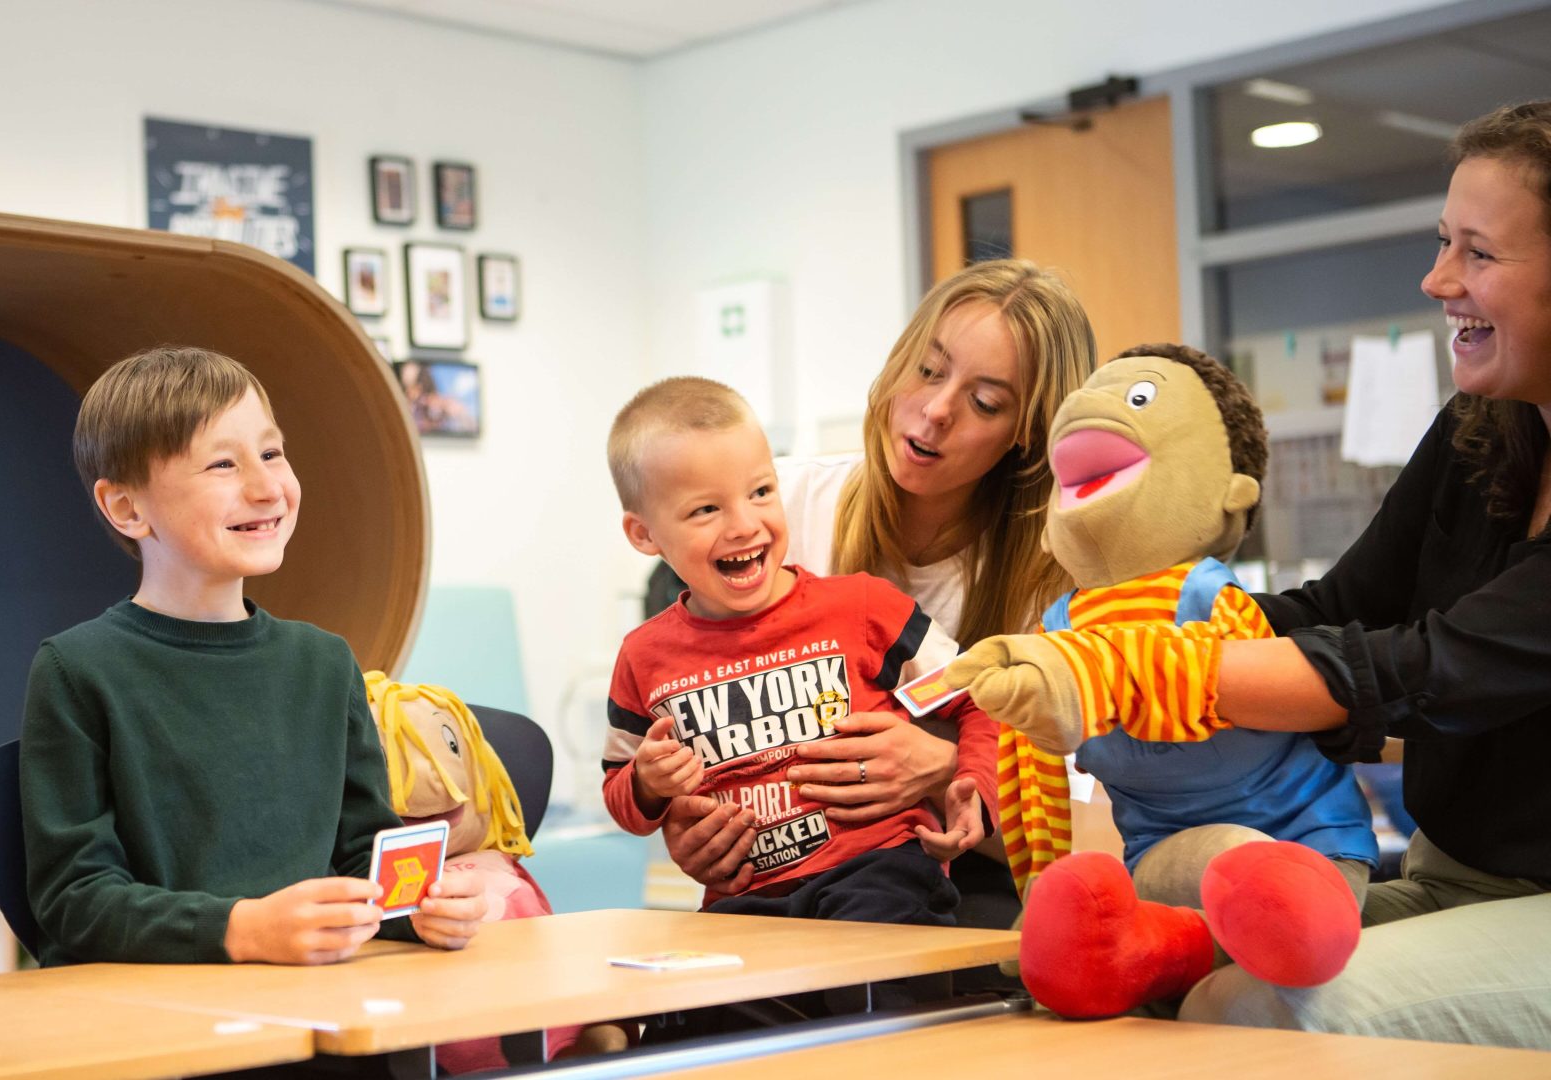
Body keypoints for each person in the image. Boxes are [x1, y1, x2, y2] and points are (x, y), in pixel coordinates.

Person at [968, 103, 1551, 1047]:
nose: (1438, 279)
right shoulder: (1478, 433)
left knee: (1245, 1013)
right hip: (1454, 875)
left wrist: (1133, 673)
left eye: (1478, 254)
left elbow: (1426, 667)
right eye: (1444, 242)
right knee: (1151, 977)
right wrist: (1137, 620)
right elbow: (1332, 609)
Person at [659, 261, 1097, 935]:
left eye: (985, 403)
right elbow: (695, 702)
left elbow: (1077, 833)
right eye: (929, 369)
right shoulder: (783, 509)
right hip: (779, 875)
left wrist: (944, 769)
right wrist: (692, 827)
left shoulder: (1054, 584)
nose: (937, 410)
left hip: (956, 880)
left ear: (1028, 436)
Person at [20, 345, 485, 968]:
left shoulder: (324, 663)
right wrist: (239, 929)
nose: (267, 487)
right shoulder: (76, 671)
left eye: (271, 453)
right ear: (127, 508)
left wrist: (421, 907)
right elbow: (75, 902)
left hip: (324, 1006)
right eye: (221, 464)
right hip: (163, 1022)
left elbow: (360, 859)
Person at [601, 376, 997, 923]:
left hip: (877, 873)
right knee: (700, 1003)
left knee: (876, 976)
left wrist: (972, 782)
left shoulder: (863, 607)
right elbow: (619, 788)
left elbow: (979, 694)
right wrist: (647, 785)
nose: (744, 525)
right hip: (742, 900)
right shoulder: (643, 657)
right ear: (644, 535)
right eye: (705, 511)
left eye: (761, 492)